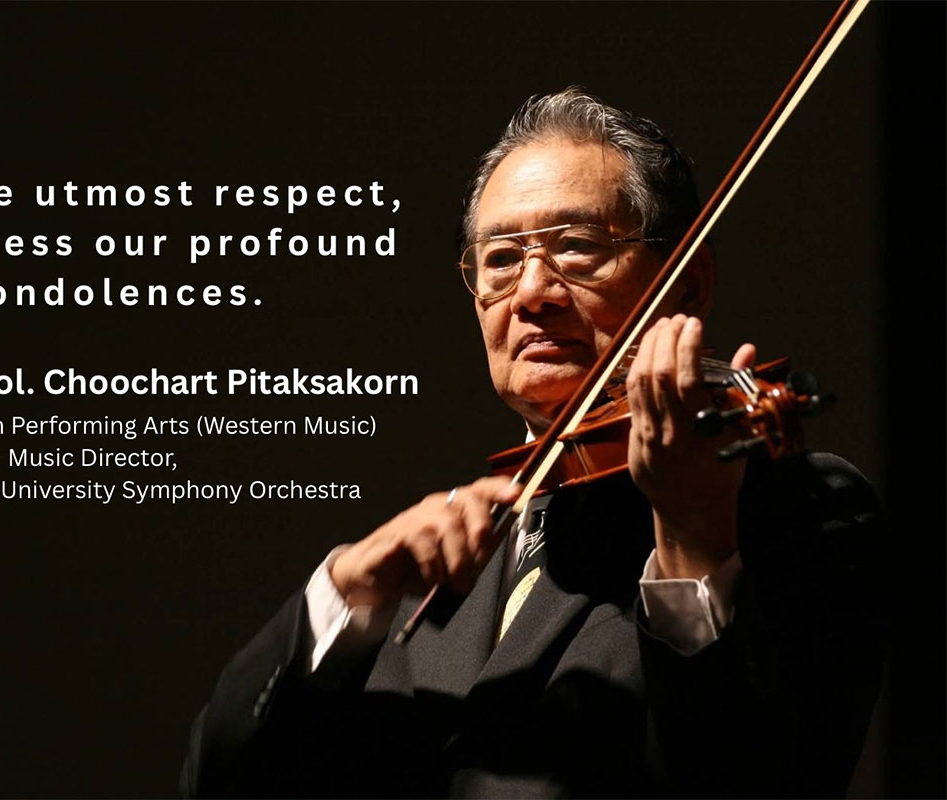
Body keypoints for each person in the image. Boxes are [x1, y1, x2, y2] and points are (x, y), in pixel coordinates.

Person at [180, 88, 887, 798]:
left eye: (577, 248)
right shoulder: (433, 568)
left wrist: (693, 537)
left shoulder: (796, 508)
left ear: (688, 285)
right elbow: (217, 784)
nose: (532, 292)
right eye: (500, 260)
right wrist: (342, 594)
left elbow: (757, 778)